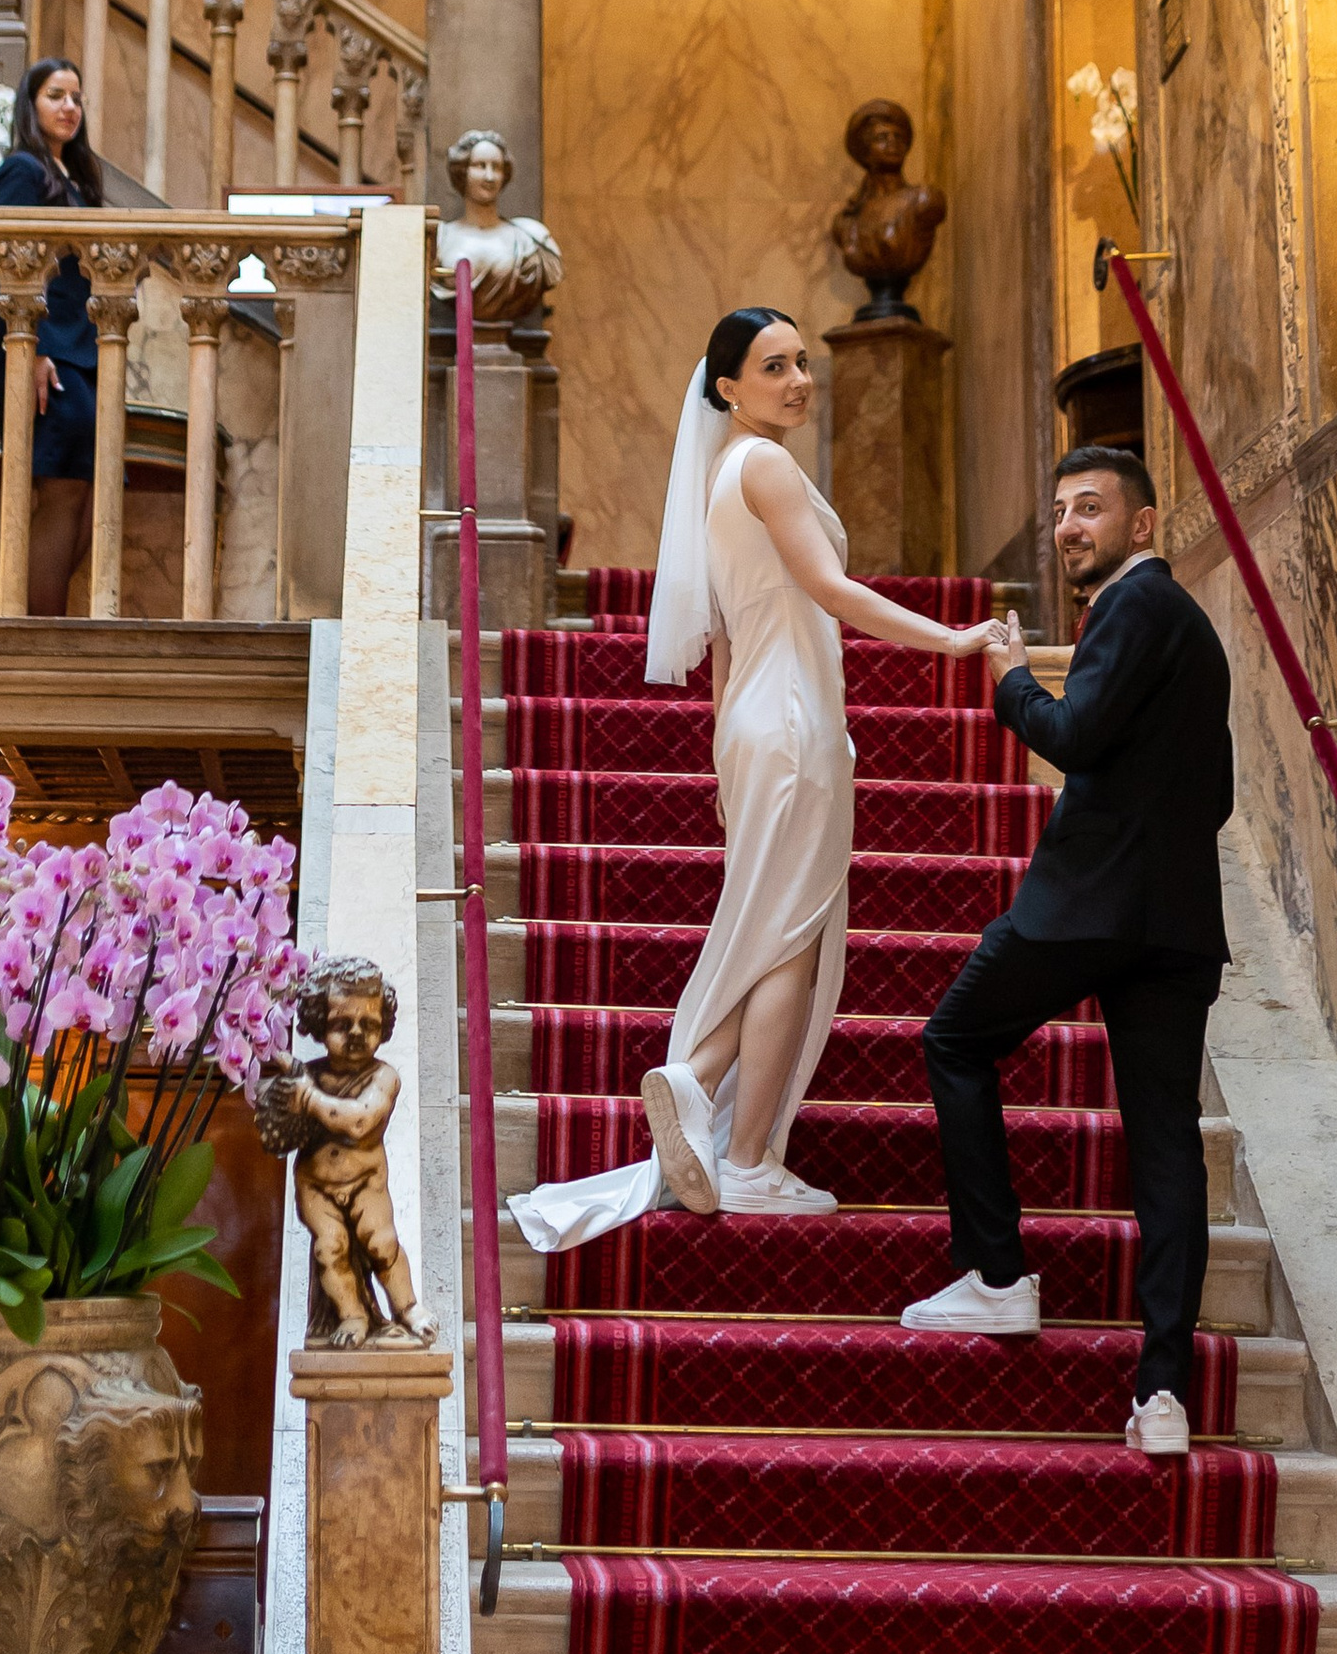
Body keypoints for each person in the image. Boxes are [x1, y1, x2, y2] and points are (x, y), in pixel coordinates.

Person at [510, 305, 1009, 1249]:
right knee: (791, 939)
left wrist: (724, 756)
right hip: (794, 721)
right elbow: (828, 590)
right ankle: (743, 1158)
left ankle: (699, 1087)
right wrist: (950, 639)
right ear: (728, 387)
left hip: (753, 723)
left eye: (802, 362)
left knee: (776, 923)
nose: (798, 381)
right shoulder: (767, 465)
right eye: (773, 367)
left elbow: (730, 642)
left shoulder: (719, 475)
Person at [904, 440, 1233, 1466]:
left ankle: (998, 1277)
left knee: (953, 1039)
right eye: (1057, 511)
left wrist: (1008, 680)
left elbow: (1073, 735)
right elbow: (1213, 794)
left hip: (1084, 906)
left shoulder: (1134, 607)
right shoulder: (1191, 631)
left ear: (1142, 525)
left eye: (1088, 509)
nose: (1065, 528)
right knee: (1164, 1143)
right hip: (1175, 923)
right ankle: (1164, 1389)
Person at [0, 58, 106, 616]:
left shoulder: (76, 180)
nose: (69, 108)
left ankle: (44, 626)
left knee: (91, 492)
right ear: (31, 105)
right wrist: (27, 350)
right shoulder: (22, 171)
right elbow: (4, 264)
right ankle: (41, 641)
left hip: (81, 352)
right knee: (62, 492)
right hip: (44, 351)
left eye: (76, 98)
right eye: (56, 95)